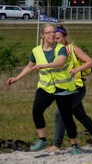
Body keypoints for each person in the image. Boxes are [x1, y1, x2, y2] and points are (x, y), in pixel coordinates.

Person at [6, 24, 81, 153]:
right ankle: (43, 139)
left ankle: (74, 144)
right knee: (36, 110)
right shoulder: (36, 50)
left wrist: (44, 66)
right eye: (49, 32)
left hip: (63, 88)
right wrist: (17, 78)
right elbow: (30, 66)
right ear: (43, 35)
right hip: (46, 87)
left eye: (54, 32)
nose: (52, 34)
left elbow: (61, 62)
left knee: (66, 117)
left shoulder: (61, 48)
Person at [50, 25, 92, 150]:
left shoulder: (72, 49)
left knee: (60, 113)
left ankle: (56, 144)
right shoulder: (54, 52)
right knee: (80, 114)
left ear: (65, 37)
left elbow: (90, 62)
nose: (55, 40)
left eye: (58, 38)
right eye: (54, 38)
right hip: (63, 88)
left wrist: (76, 69)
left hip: (76, 88)